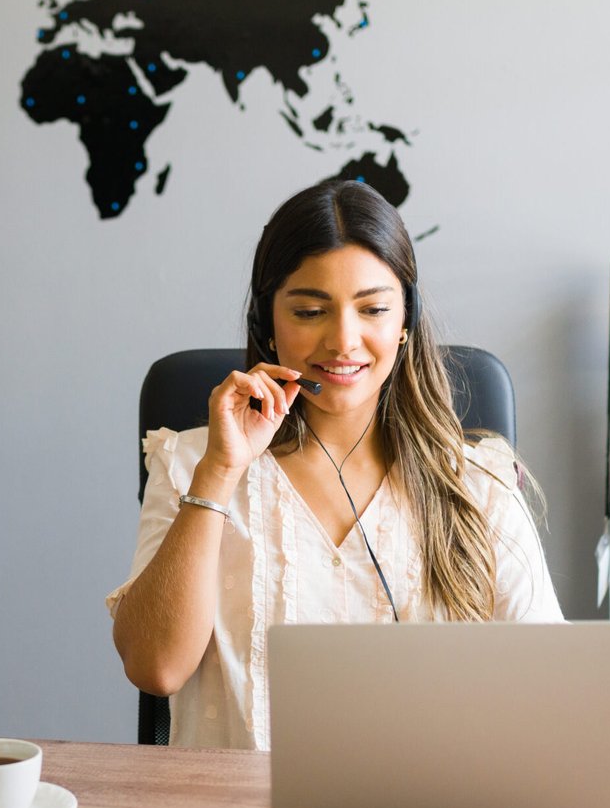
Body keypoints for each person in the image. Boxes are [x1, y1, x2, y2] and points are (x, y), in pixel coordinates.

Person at [107, 180, 563, 750]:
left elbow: (550, 694)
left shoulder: (477, 483)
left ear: (405, 321)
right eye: (309, 310)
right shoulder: (194, 462)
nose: (343, 340)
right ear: (266, 324)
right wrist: (221, 473)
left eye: (372, 308)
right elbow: (155, 669)